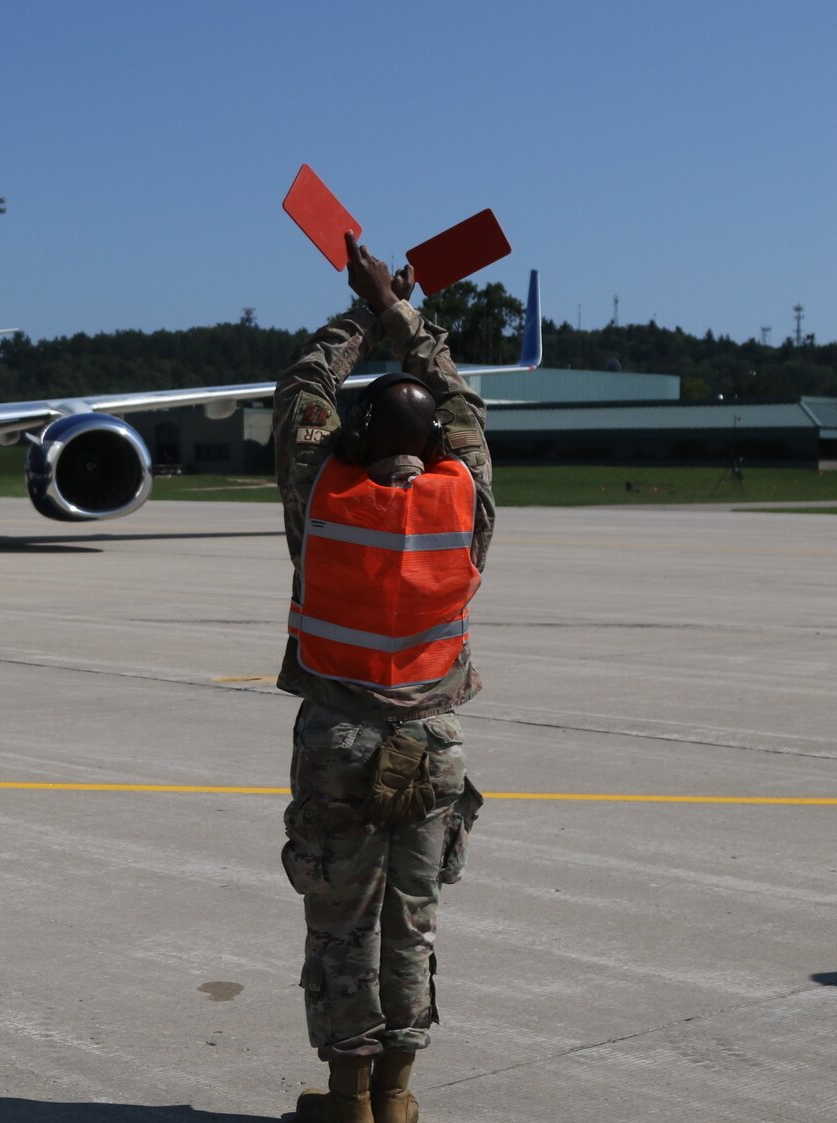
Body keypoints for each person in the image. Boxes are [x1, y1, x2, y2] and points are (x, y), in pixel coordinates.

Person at [272, 234, 491, 1123]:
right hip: (433, 741)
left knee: (341, 922)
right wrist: (407, 317)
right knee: (413, 920)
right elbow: (463, 398)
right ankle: (398, 1100)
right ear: (436, 442)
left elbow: (301, 391)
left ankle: (348, 1099)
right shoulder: (464, 495)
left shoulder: (323, 490)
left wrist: (362, 310)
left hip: (342, 739)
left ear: (357, 437)